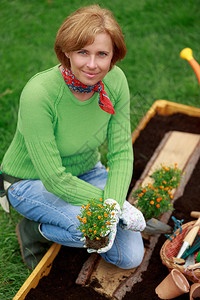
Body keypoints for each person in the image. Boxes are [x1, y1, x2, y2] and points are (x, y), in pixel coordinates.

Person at [1, 4, 146, 270]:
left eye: (102, 54)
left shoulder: (115, 82)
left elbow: (122, 151)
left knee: (130, 258)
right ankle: (34, 230)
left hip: (87, 171)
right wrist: (116, 207)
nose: (92, 65)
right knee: (91, 230)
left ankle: (68, 222)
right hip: (32, 181)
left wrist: (113, 203)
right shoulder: (40, 94)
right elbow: (54, 178)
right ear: (66, 51)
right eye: (82, 52)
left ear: (114, 56)